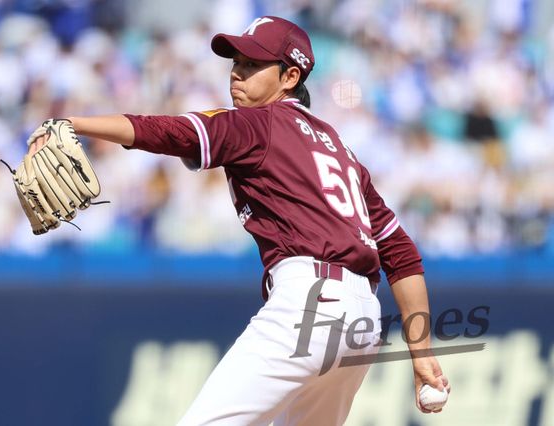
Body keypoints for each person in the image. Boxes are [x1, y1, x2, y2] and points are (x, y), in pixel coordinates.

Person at [29, 15, 450, 426]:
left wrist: (74, 123)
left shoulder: (258, 124)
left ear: (290, 77)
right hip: (361, 324)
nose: (237, 73)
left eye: (252, 64)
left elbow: (169, 131)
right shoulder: (341, 150)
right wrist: (422, 351)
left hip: (309, 301)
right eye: (236, 62)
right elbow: (399, 251)